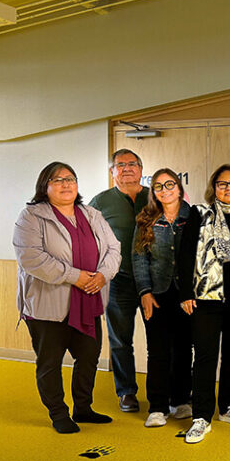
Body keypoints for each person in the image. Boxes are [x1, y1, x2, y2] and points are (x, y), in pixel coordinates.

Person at [13, 162, 121, 433]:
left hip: (89, 300)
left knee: (89, 357)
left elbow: (113, 249)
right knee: (50, 363)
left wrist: (102, 276)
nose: (65, 184)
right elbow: (32, 258)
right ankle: (59, 414)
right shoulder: (31, 217)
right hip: (48, 305)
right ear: (45, 186)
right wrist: (76, 276)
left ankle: (83, 409)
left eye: (70, 179)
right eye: (57, 180)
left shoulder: (91, 214)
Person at [179, 164, 230, 444]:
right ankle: (201, 416)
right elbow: (186, 253)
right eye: (223, 184)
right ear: (214, 187)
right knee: (205, 357)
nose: (229, 189)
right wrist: (185, 293)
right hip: (206, 297)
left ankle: (228, 406)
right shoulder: (199, 213)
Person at [89, 149, 149, 413]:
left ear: (141, 169)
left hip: (153, 281)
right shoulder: (100, 202)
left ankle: (166, 391)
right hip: (118, 281)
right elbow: (87, 241)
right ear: (112, 171)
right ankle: (126, 392)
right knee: (120, 339)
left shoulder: (156, 195)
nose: (126, 168)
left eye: (132, 164)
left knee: (161, 338)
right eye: (120, 165)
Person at [133, 168, 193, 428]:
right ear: (153, 192)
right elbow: (138, 257)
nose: (165, 190)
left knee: (182, 349)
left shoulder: (194, 217)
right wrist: (144, 292)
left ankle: (181, 400)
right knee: (157, 350)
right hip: (156, 294)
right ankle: (157, 406)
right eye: (158, 186)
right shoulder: (146, 220)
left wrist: (193, 293)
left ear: (179, 188)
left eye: (170, 185)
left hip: (187, 295)